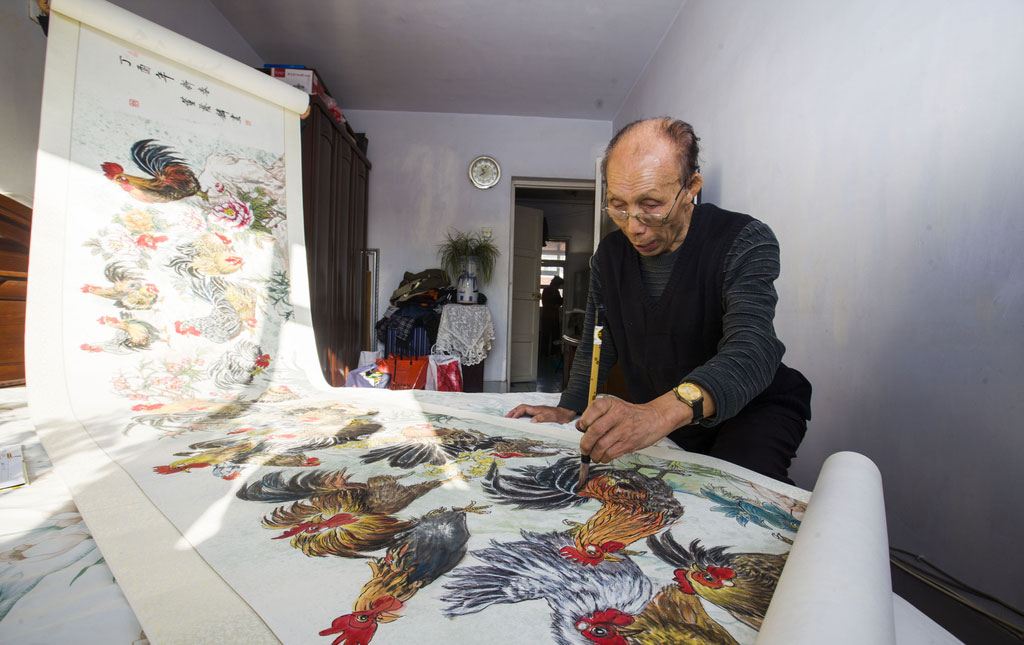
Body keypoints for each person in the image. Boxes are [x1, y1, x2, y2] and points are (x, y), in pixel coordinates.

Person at [506, 118, 811, 483]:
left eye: (651, 205)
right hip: (670, 417)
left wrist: (657, 414)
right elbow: (597, 344)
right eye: (618, 206)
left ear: (691, 188)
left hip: (752, 410)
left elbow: (752, 349)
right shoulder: (610, 257)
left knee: (732, 495)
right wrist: (568, 408)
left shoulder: (744, 240)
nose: (633, 226)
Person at [539, 275, 564, 356]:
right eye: (558, 285)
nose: (558, 287)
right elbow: (545, 303)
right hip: (547, 317)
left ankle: (554, 353)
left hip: (555, 317)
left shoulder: (556, 291)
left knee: (556, 336)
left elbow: (560, 301)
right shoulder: (546, 290)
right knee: (545, 336)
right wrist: (554, 306)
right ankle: (543, 354)